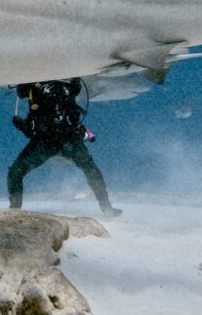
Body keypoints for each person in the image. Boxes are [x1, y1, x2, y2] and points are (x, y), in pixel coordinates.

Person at [7, 78, 119, 217]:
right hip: (70, 139)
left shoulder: (34, 86)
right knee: (90, 169)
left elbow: (31, 129)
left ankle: (14, 211)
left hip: (46, 142)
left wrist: (21, 125)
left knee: (15, 173)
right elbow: (75, 90)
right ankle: (107, 209)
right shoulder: (66, 82)